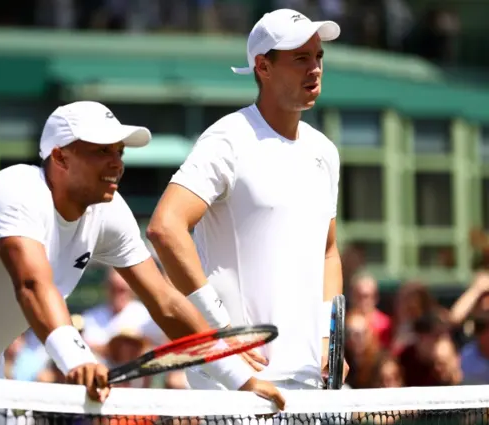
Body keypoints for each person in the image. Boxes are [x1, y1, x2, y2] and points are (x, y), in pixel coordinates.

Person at [0, 101, 285, 423]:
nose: (116, 164)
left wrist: (240, 377)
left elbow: (165, 302)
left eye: (119, 152)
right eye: (101, 151)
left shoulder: (110, 210)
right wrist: (78, 358)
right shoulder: (13, 192)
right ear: (60, 157)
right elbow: (32, 285)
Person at [147, 9, 348, 394]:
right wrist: (219, 331)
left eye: (318, 57)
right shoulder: (228, 138)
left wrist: (327, 341)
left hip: (308, 381)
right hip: (237, 387)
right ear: (263, 67)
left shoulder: (325, 151)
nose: (315, 69)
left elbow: (328, 252)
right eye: (300, 58)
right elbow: (165, 227)